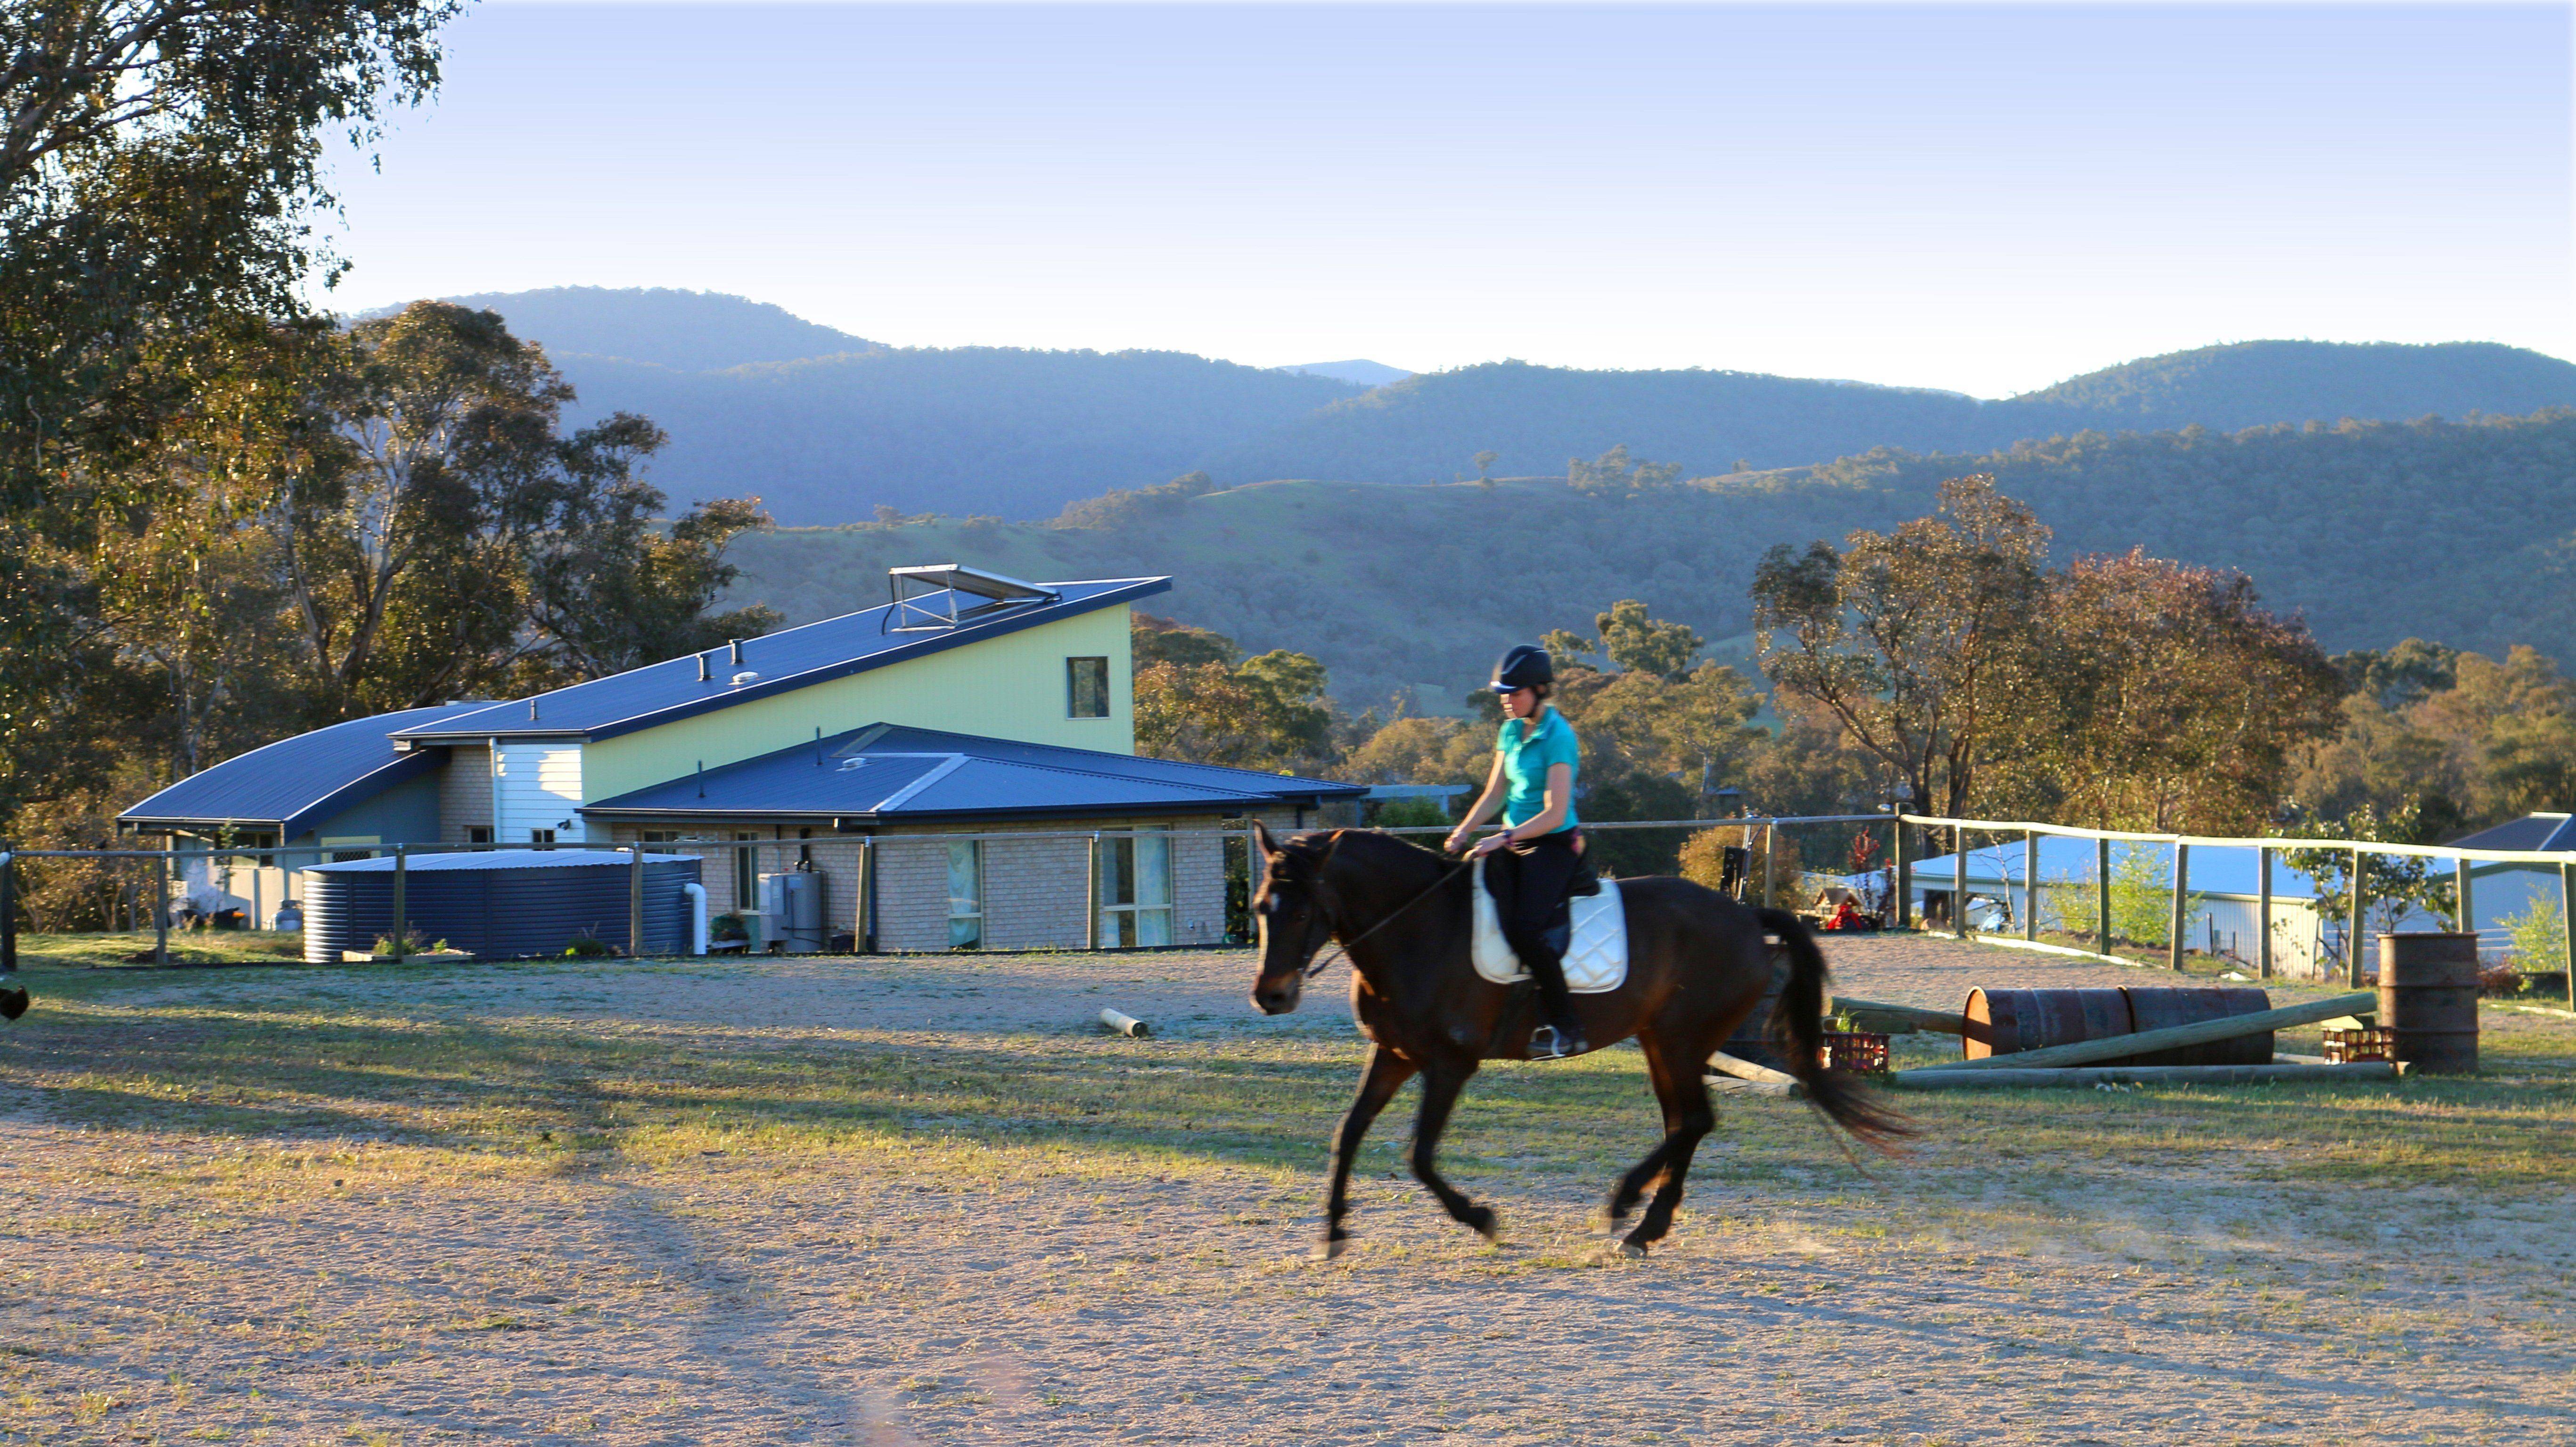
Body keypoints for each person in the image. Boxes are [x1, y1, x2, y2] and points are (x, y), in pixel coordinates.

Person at [1444, 644, 1589, 1060]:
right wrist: (1465, 830)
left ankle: (1567, 1026)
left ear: (1540, 690)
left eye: (1515, 692)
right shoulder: (1510, 731)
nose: (1507, 700)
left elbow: (1555, 812)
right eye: (1503, 694)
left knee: (1526, 929)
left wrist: (1500, 840)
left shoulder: (1559, 736)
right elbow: (1496, 792)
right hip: (1513, 839)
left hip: (1553, 844)